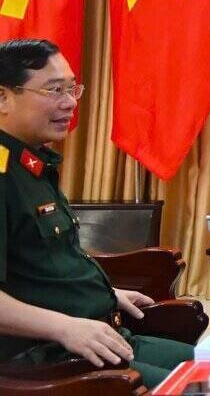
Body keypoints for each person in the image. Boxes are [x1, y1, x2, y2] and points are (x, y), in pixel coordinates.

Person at [0, 39, 193, 388]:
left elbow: (44, 265)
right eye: (53, 90)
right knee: (198, 388)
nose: (70, 102)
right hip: (45, 357)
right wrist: (64, 327)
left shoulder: (31, 164)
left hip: (98, 335)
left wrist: (106, 293)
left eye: (72, 88)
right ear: (3, 97)